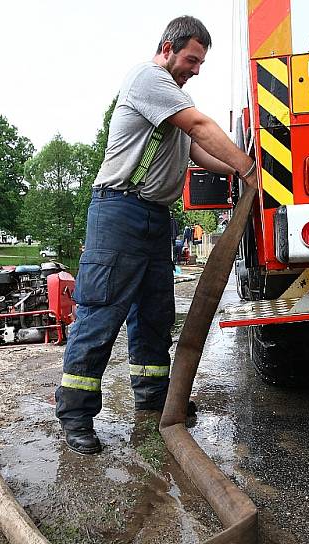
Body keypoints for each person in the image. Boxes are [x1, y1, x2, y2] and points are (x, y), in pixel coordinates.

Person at [55, 15, 258, 455]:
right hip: (118, 212)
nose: (196, 69)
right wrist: (246, 168)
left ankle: (153, 400)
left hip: (153, 218)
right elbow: (202, 128)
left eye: (201, 62)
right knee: (101, 313)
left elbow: (199, 149)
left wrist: (247, 170)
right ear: (167, 48)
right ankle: (75, 416)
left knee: (153, 315)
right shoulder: (149, 80)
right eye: (191, 59)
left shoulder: (172, 100)